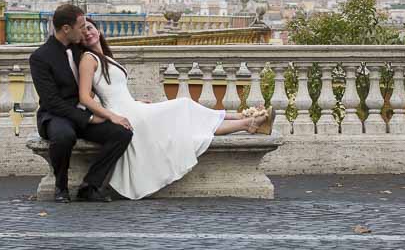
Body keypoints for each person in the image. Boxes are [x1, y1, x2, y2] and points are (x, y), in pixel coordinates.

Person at [76, 18, 273, 200]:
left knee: (189, 117)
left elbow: (114, 91)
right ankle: (246, 119)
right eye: (83, 32)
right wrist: (112, 115)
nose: (88, 33)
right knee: (184, 107)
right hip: (124, 115)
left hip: (132, 109)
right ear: (79, 39)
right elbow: (85, 97)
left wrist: (135, 102)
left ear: (99, 30)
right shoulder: (88, 59)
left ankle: (247, 121)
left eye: (90, 28)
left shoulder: (105, 57)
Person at [29, 4, 132, 203]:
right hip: (56, 115)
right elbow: (52, 101)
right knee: (64, 136)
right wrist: (90, 117)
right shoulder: (40, 58)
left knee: (122, 133)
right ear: (66, 29)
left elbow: (105, 74)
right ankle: (61, 187)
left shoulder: (81, 50)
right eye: (81, 25)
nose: (85, 30)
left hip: (83, 113)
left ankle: (90, 185)